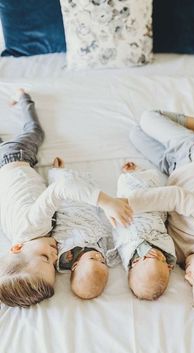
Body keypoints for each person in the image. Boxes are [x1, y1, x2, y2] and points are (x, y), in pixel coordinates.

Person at [0, 89, 133, 308]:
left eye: (45, 257)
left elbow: (61, 189)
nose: (55, 254)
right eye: (53, 263)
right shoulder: (19, 237)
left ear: (16, 249)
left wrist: (107, 202)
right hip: (5, 170)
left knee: (34, 131)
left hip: (16, 157)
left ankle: (24, 99)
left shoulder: (33, 225)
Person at [129, 109, 194, 324]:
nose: (187, 277)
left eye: (190, 284)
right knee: (148, 117)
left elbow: (158, 221)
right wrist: (129, 203)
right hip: (193, 157)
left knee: (135, 134)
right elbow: (178, 197)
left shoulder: (179, 257)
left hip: (173, 170)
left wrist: (136, 177)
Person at [49, 157, 120, 300]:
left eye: (94, 259)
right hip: (89, 213)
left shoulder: (67, 255)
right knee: (89, 193)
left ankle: (58, 171)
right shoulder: (104, 252)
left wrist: (66, 252)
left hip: (70, 213)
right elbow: (114, 248)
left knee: (65, 189)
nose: (100, 257)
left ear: (74, 265)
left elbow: (58, 240)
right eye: (102, 262)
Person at [113, 161, 176, 300]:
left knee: (129, 191)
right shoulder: (167, 254)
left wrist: (144, 248)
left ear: (134, 263)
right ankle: (140, 171)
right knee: (155, 191)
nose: (160, 255)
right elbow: (167, 241)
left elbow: (125, 238)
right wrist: (167, 259)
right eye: (163, 261)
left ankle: (130, 174)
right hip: (154, 215)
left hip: (132, 214)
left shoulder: (129, 252)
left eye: (151, 257)